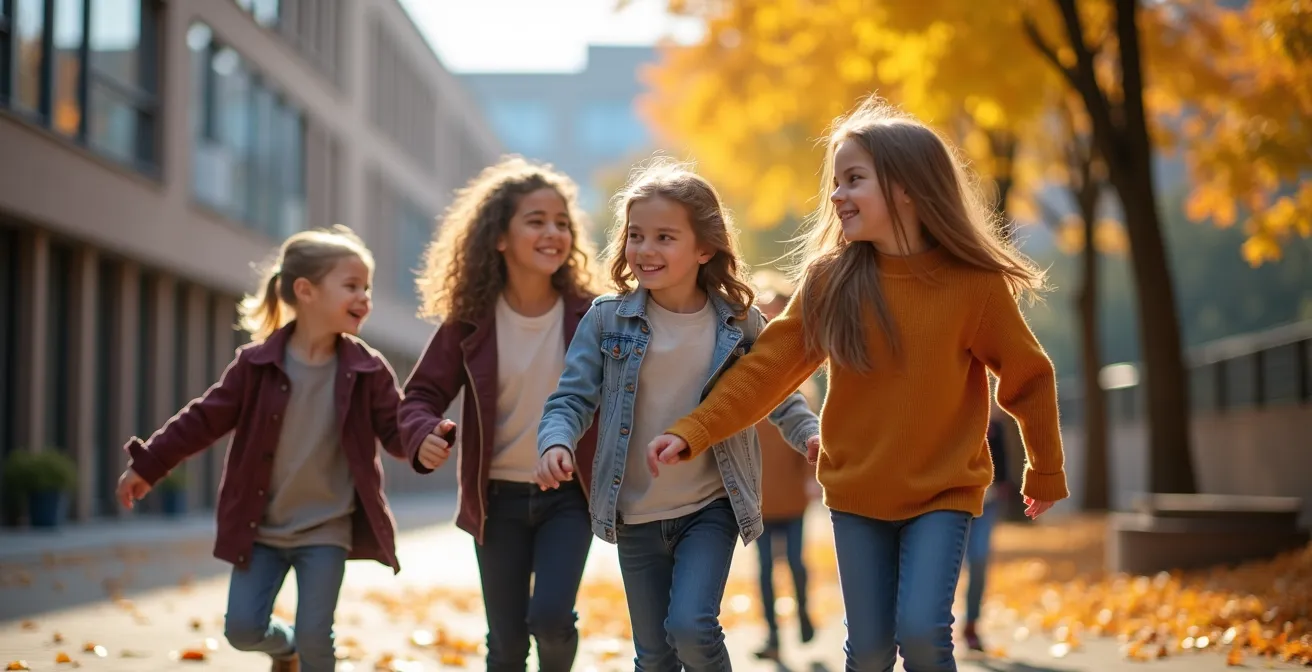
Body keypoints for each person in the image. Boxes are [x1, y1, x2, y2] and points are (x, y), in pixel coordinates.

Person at [646, 97, 1068, 671]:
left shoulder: (973, 285)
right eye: (836, 182)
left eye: (854, 179)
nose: (837, 194)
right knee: (868, 652)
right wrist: (694, 430)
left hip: (943, 492)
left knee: (922, 633)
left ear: (907, 188)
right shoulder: (832, 281)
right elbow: (766, 369)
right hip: (857, 495)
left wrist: (1044, 465)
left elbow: (1028, 373)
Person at [534, 159, 820, 671]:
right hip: (636, 512)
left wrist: (808, 434)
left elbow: (775, 389)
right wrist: (555, 441)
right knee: (653, 655)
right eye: (636, 235)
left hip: (711, 504)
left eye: (665, 237)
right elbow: (572, 397)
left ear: (704, 248)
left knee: (691, 627)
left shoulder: (738, 321)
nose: (645, 249)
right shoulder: (606, 320)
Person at [116, 226, 406, 672]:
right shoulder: (255, 365)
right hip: (261, 530)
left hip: (326, 530)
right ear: (305, 291)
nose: (364, 297)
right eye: (351, 286)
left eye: (366, 287)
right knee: (243, 630)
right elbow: (202, 419)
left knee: (318, 638)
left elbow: (397, 427)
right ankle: (283, 650)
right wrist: (150, 464)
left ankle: (302, 651)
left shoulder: (368, 370)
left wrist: (426, 441)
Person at [398, 157, 603, 672]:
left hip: (569, 497)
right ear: (499, 237)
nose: (553, 232)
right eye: (536, 221)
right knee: (507, 644)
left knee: (552, 619)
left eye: (562, 222)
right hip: (496, 503)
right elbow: (419, 397)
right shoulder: (468, 322)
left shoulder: (594, 315)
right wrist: (424, 433)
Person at [750, 270, 820, 661]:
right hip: (758, 494)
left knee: (794, 561)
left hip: (791, 493)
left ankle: (805, 615)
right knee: (762, 568)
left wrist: (812, 480)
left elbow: (808, 434)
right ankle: (773, 636)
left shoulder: (799, 380)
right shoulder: (744, 373)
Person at [962, 402, 1012, 652]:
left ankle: (971, 624)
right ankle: (932, 629)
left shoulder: (997, 427)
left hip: (987, 506)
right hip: (954, 505)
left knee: (979, 562)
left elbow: (1004, 467)